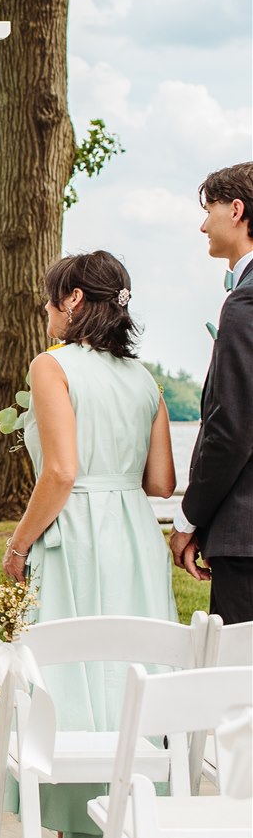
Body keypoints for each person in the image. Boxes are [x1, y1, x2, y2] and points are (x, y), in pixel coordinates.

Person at [0, 249, 177, 838]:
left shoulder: (51, 367)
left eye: (48, 299)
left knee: (72, 685)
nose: (43, 311)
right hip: (132, 536)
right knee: (131, 681)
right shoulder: (143, 378)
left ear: (71, 301)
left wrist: (18, 543)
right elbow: (160, 483)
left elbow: (60, 472)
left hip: (77, 540)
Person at [171, 162, 253, 625]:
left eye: (210, 210)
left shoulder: (245, 302)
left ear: (237, 210)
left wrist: (188, 519)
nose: (204, 224)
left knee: (242, 684)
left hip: (246, 541)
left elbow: (233, 431)